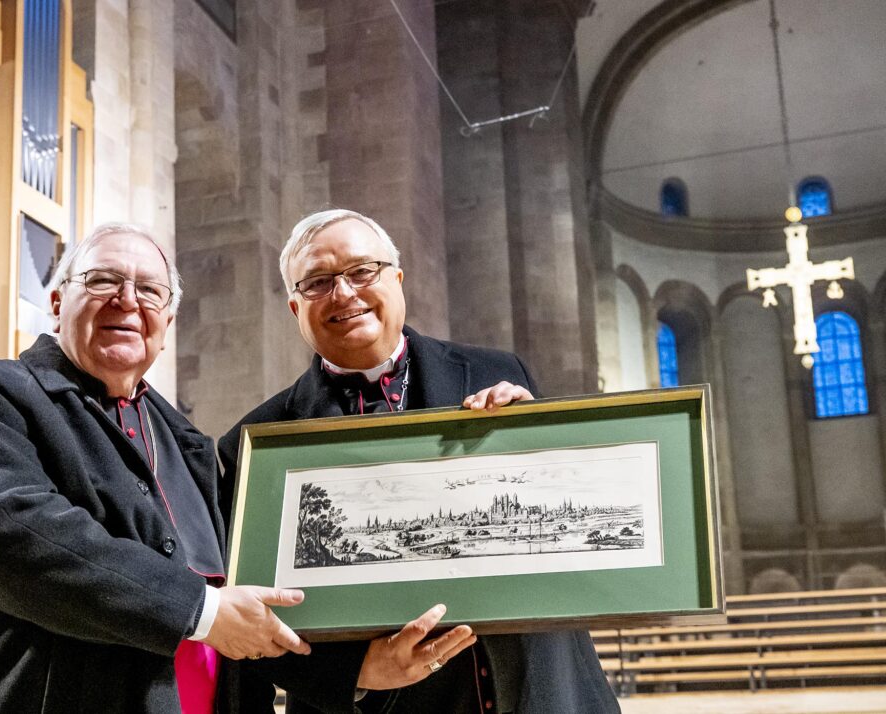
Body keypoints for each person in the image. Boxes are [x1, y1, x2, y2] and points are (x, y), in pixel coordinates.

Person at [218, 209, 620, 713]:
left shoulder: (498, 372)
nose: (344, 293)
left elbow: (567, 526)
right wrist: (354, 671)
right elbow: (245, 623)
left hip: (543, 694)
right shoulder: (258, 442)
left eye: (363, 271)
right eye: (318, 282)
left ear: (397, 279)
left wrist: (539, 447)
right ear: (294, 307)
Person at [0, 223, 311, 713]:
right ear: (57, 302)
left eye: (150, 290)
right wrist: (203, 610)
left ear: (167, 325)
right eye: (103, 280)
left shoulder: (189, 444)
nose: (127, 300)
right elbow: (3, 538)